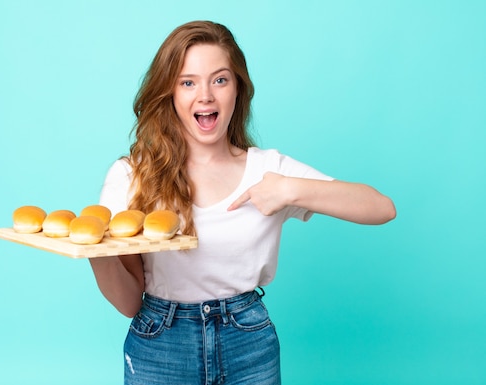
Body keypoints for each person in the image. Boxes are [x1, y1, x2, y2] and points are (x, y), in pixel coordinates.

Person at [89, 20, 396, 385]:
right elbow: (128, 304)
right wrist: (96, 252)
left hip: (247, 339)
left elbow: (381, 208)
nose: (205, 96)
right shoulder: (132, 175)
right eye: (188, 82)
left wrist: (290, 190)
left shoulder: (269, 170)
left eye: (220, 80)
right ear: (170, 93)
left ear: (238, 90)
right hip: (161, 343)